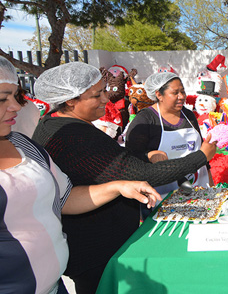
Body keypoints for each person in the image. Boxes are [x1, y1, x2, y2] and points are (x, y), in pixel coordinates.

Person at [31, 62, 217, 294]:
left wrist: (147, 155)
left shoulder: (52, 123)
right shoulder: (74, 135)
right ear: (70, 100)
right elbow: (142, 174)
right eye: (97, 94)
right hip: (96, 248)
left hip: (93, 242)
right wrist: (200, 156)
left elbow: (116, 164)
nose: (106, 99)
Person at [0, 56, 162, 293]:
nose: (15, 106)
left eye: (16, 97)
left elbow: (64, 197)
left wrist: (117, 187)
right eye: (2, 99)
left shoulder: (25, 145)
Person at [126, 72, 213, 195]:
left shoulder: (188, 116)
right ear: (159, 95)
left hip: (200, 188)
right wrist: (148, 155)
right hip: (164, 196)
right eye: (175, 93)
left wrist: (211, 186)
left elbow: (202, 154)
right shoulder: (145, 120)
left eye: (182, 91)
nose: (182, 96)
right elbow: (130, 159)